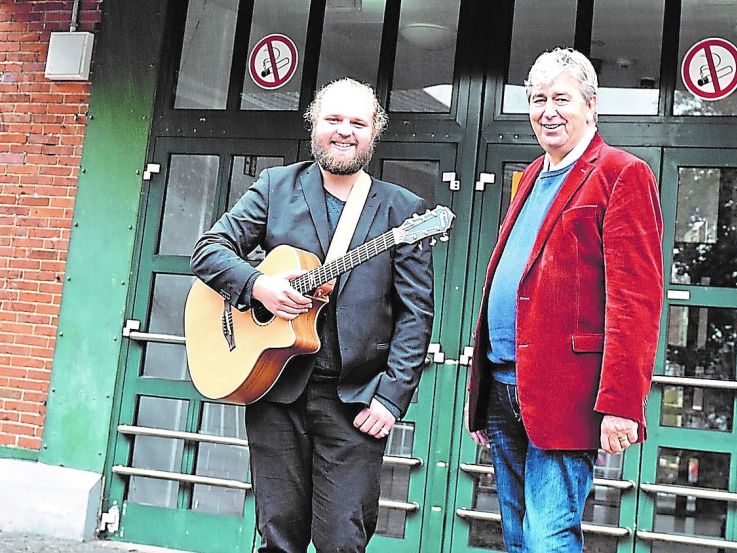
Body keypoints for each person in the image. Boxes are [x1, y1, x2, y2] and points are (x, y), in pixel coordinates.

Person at [191, 78, 434, 553]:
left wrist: (391, 397)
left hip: (355, 401)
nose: (345, 131)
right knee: (278, 536)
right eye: (334, 120)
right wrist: (259, 285)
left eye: (358, 123)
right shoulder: (275, 187)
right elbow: (208, 250)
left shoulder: (403, 212)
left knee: (343, 540)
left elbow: (416, 314)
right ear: (314, 124)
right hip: (274, 388)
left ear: (374, 132)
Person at [465, 48, 664, 553]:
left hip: (566, 393)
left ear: (591, 106)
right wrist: (483, 393)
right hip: (505, 386)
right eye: (538, 99)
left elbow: (635, 300)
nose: (548, 111)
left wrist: (621, 404)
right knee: (516, 536)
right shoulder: (532, 175)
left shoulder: (622, 173)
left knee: (548, 538)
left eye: (561, 98)